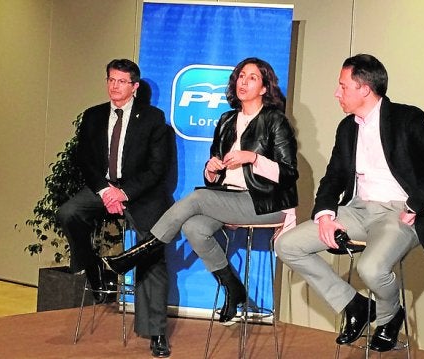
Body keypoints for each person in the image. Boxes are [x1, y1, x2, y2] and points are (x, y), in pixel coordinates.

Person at [275, 54, 424, 352]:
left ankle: (389, 316)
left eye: (342, 86)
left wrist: (416, 205)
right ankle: (356, 305)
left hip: (398, 213)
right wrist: (324, 215)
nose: (337, 93)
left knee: (371, 269)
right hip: (358, 210)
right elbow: (333, 177)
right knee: (287, 245)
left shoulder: (406, 118)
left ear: (364, 89)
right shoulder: (347, 128)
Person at [102, 57, 299, 324]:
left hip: (267, 203)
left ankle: (142, 251)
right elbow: (213, 182)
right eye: (241, 76)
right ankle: (232, 286)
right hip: (230, 198)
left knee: (197, 198)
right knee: (194, 227)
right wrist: (212, 168)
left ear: (265, 87)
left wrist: (252, 158)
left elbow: (289, 173)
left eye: (252, 77)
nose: (243, 81)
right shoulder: (227, 120)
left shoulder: (275, 120)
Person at [56, 59, 173, 358]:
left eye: (121, 81)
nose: (114, 86)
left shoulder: (153, 118)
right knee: (69, 213)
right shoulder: (93, 116)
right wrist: (106, 190)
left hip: (140, 193)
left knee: (151, 251)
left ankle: (156, 331)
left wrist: (125, 192)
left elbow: (157, 169)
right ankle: (94, 268)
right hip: (103, 189)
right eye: (111, 79)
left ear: (134, 87)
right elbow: (83, 159)